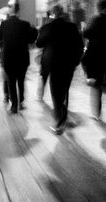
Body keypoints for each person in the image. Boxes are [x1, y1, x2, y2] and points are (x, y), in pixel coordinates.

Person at [36, 4, 84, 135]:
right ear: (62, 13)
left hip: (53, 65)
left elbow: (38, 43)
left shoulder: (48, 27)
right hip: (69, 65)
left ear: (52, 14)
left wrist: (44, 26)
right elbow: (80, 45)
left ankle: (60, 121)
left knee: (56, 93)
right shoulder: (72, 27)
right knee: (64, 91)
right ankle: (63, 116)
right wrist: (76, 62)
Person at [0, 2, 37, 113]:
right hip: (22, 58)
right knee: (21, 81)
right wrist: (34, 30)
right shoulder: (25, 24)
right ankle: (21, 101)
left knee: (11, 81)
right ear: (18, 10)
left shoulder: (4, 24)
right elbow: (32, 40)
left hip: (8, 58)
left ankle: (14, 105)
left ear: (10, 11)